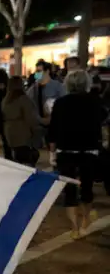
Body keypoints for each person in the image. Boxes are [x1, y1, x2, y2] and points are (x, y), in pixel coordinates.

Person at [49, 70, 107, 239]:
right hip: (89, 150)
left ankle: (74, 228)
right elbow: (102, 121)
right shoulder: (95, 102)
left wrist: (52, 152)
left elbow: (52, 131)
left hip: (66, 151)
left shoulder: (60, 103)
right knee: (87, 187)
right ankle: (85, 221)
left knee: (69, 190)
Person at [26, 60, 67, 150]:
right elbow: (29, 106)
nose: (37, 74)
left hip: (54, 123)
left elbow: (64, 104)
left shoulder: (57, 86)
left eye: (39, 71)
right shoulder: (33, 88)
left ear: (47, 71)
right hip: (38, 123)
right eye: (36, 71)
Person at [1, 76, 40, 167]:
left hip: (9, 131)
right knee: (27, 158)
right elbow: (30, 118)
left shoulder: (5, 100)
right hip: (22, 132)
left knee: (18, 154)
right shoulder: (24, 99)